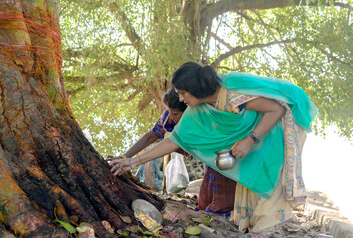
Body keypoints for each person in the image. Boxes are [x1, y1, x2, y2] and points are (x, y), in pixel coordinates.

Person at [110, 62, 318, 237]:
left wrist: (250, 139)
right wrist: (131, 161)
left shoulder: (231, 92)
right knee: (252, 164)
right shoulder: (197, 109)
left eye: (182, 93)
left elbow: (277, 108)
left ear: (195, 89)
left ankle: (267, 225)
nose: (181, 99)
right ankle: (254, 221)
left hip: (286, 115)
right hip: (262, 122)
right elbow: (173, 141)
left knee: (269, 166)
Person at [109, 87, 237, 214]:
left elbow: (171, 143)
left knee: (222, 201)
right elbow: (150, 136)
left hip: (223, 158)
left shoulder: (202, 118)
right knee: (205, 203)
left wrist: (132, 162)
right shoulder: (168, 118)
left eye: (175, 114)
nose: (171, 117)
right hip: (209, 163)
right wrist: (124, 156)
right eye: (168, 111)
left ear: (189, 109)